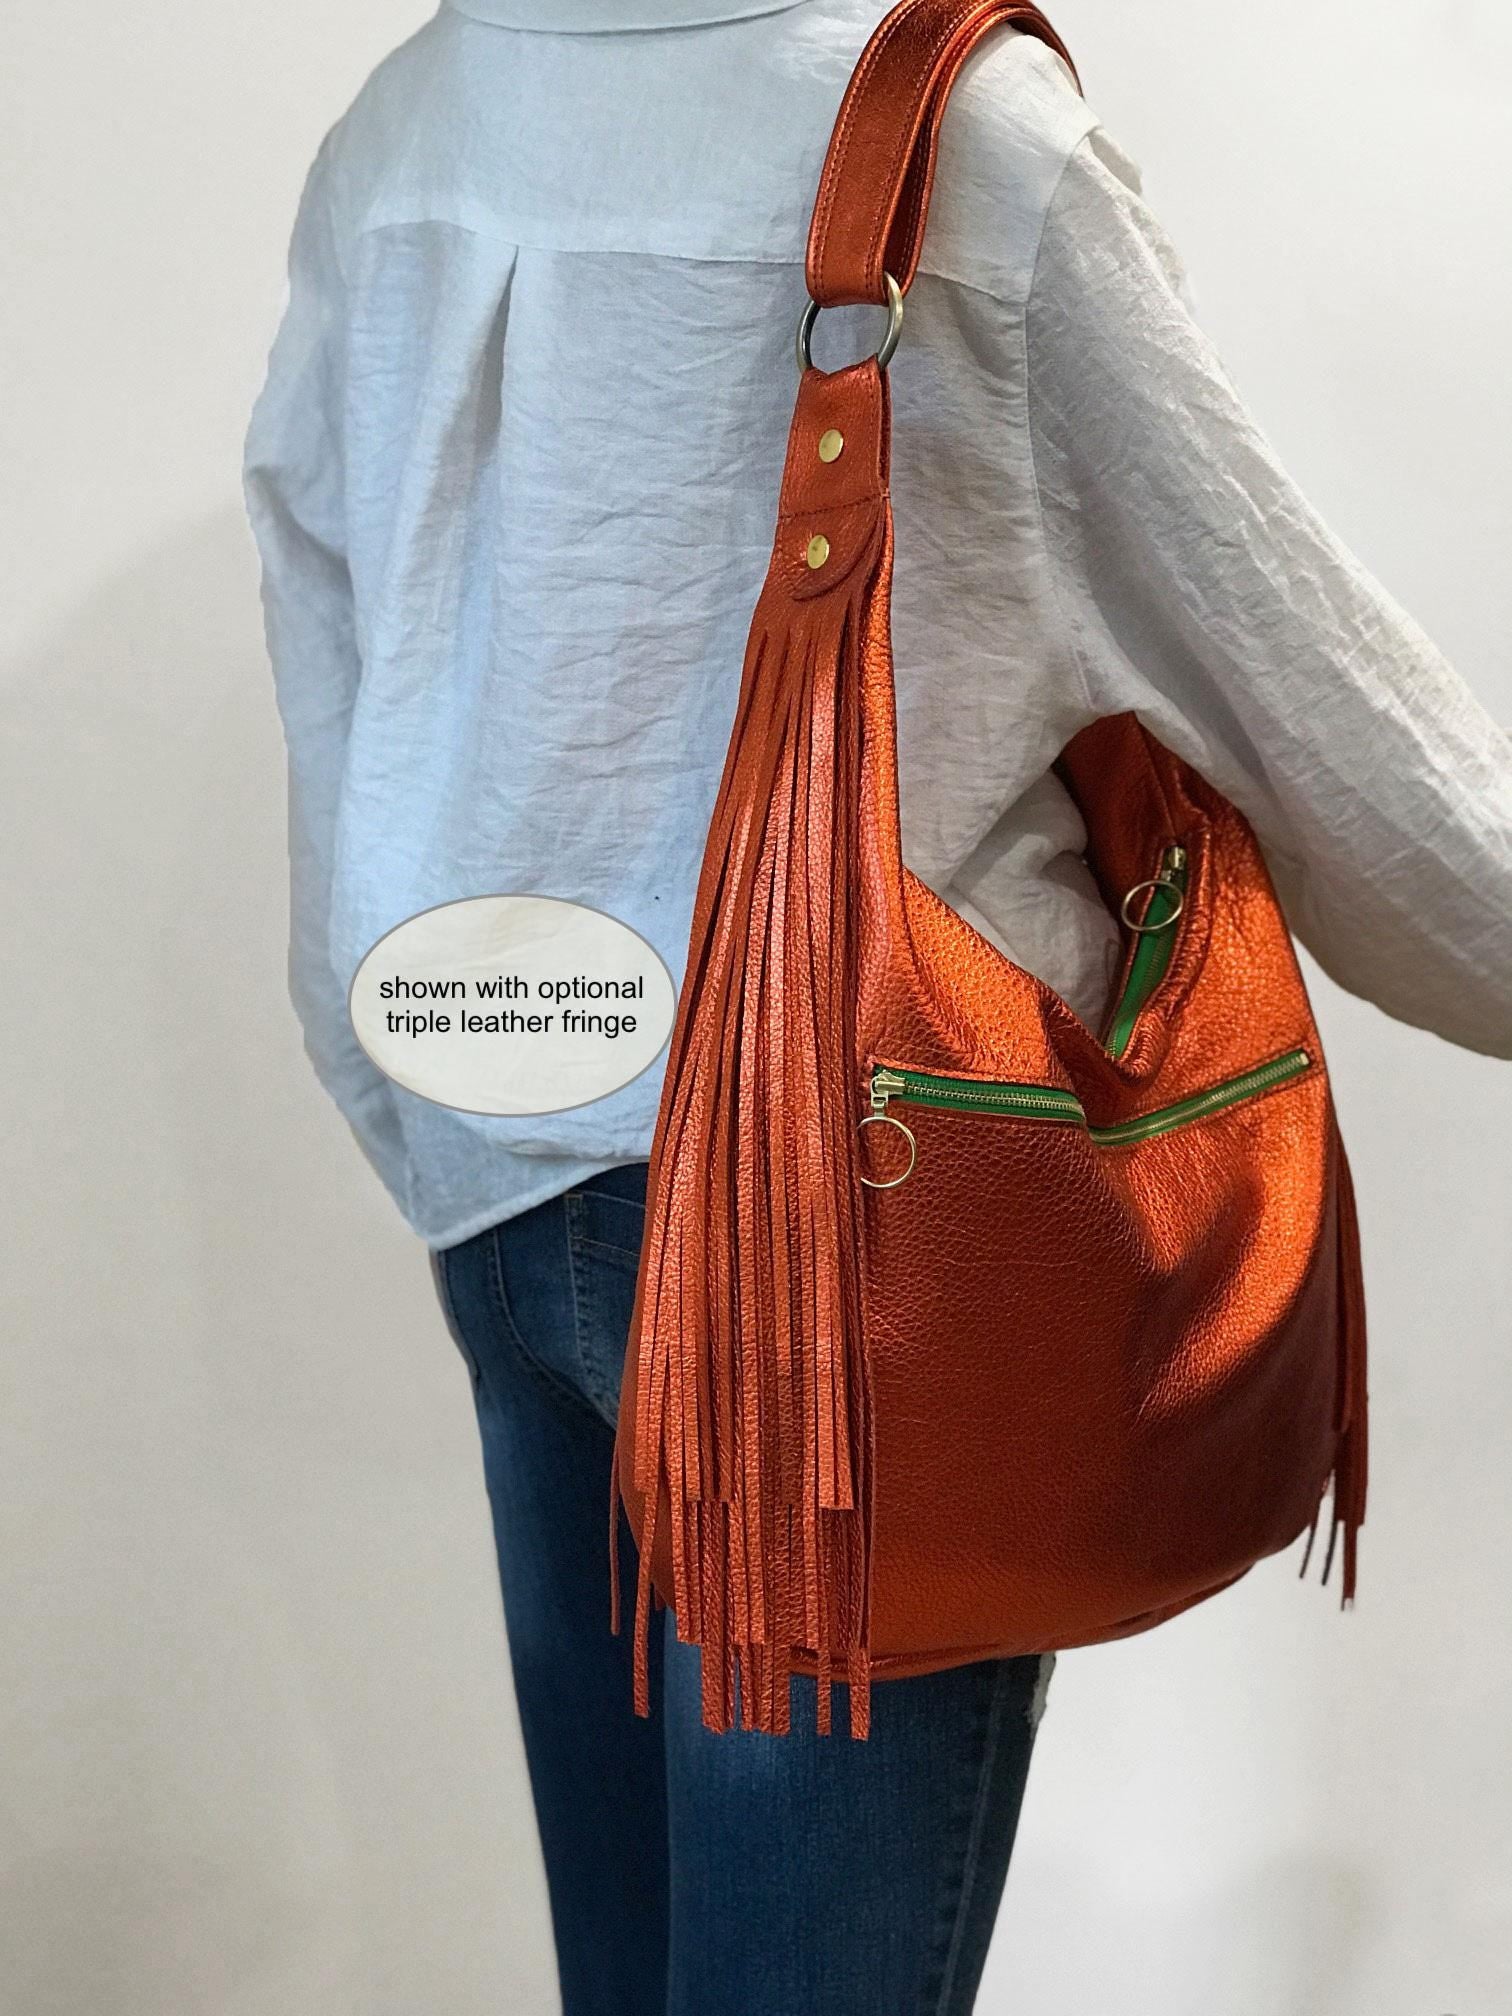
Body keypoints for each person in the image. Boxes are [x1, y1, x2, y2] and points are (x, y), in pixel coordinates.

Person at [243, 3, 1512, 2011]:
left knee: (641, 1978)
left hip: (502, 1189)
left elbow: (329, 629)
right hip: (843, 1244)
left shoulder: (415, 114)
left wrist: (404, 1083)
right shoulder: (956, 140)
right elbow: (1332, 724)